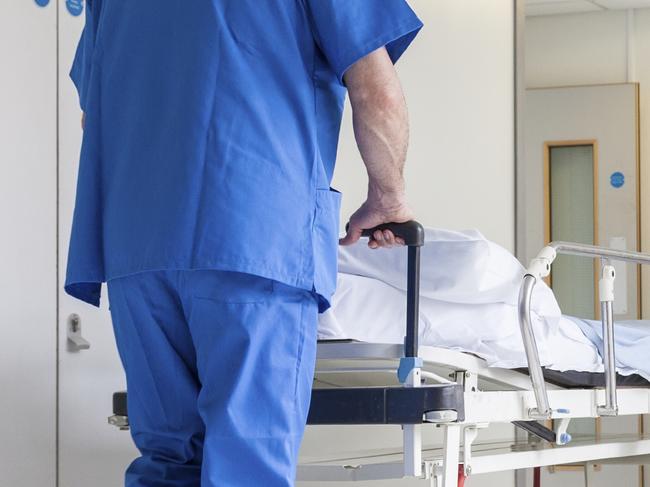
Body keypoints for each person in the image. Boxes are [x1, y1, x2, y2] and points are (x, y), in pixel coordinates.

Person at [67, 1, 422, 485]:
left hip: (137, 247)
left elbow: (95, 116)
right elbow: (375, 88)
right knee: (248, 466)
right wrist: (389, 197)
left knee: (167, 461)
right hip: (253, 233)